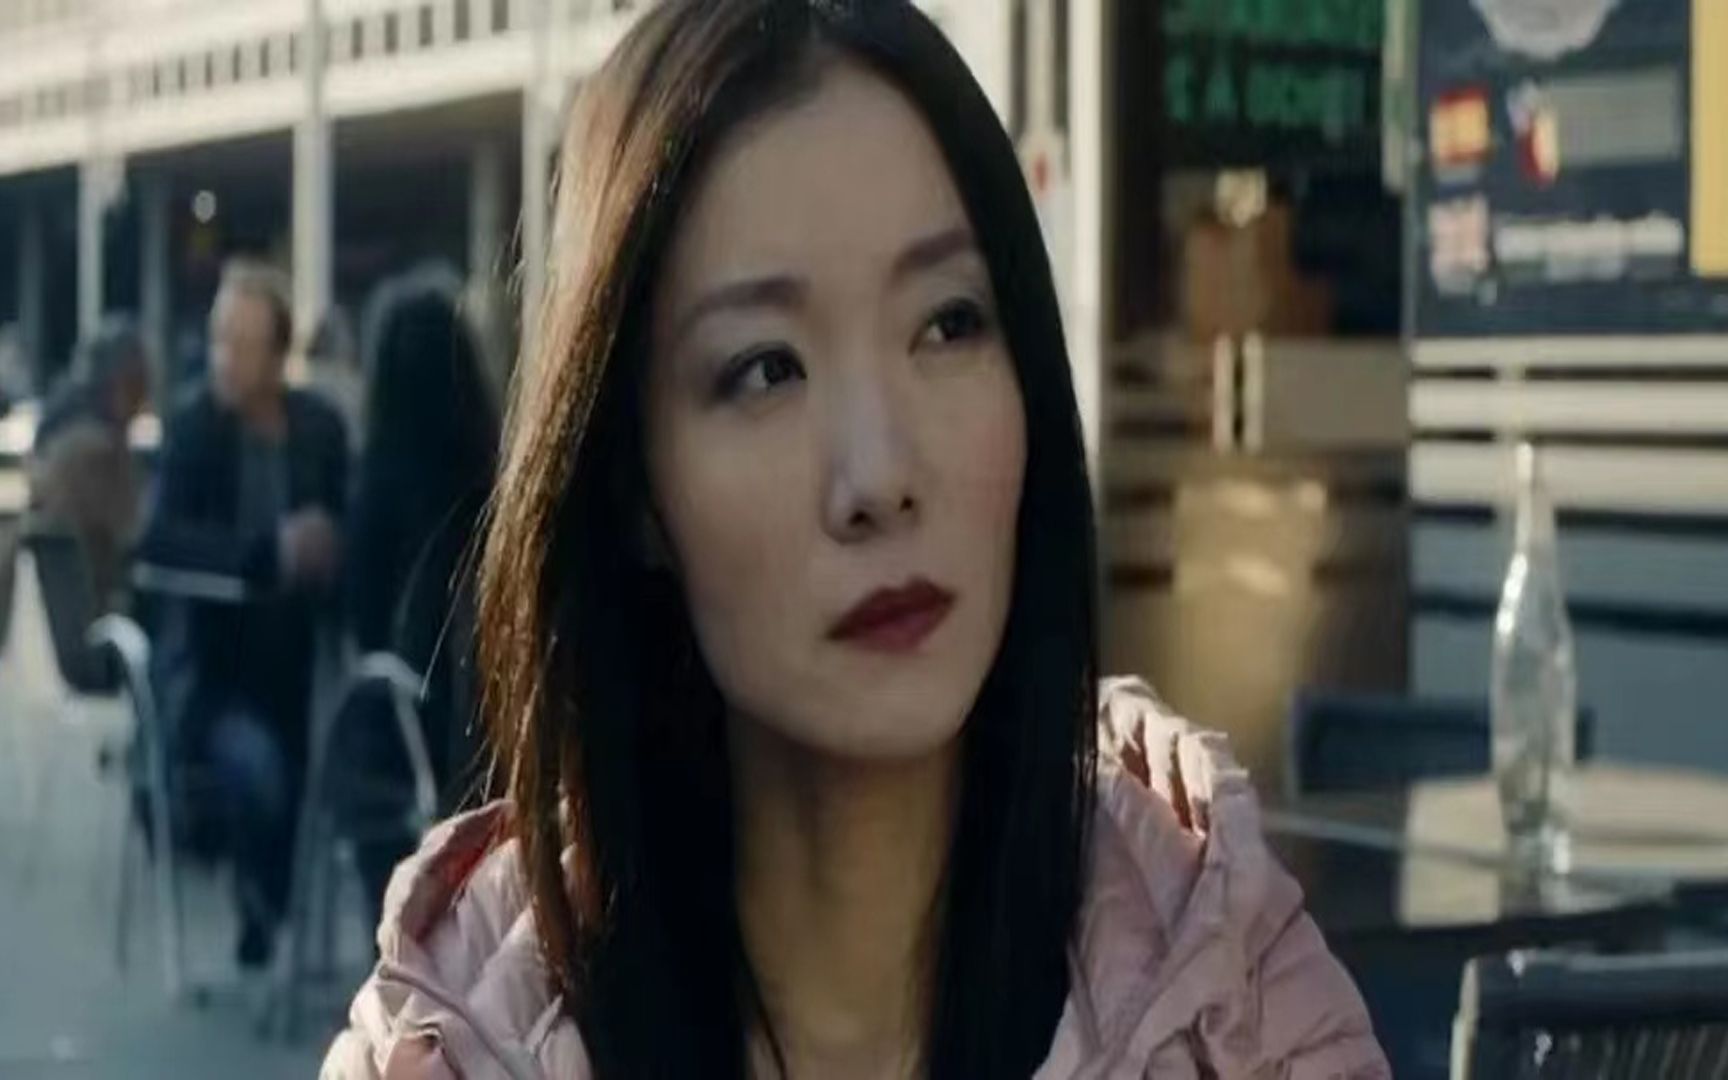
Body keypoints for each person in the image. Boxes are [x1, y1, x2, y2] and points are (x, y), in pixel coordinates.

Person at [325, 2, 1388, 1077]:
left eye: (948, 323)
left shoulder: (1235, 1008)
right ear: (634, 482)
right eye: (765, 369)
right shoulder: (452, 1046)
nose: (878, 477)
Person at [140, 258, 349, 969]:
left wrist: (327, 543)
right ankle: (263, 906)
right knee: (259, 774)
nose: (223, 357)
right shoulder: (194, 428)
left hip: (304, 663)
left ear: (277, 355)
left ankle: (278, 915)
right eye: (218, 338)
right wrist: (267, 551)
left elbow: (351, 521)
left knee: (320, 767)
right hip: (218, 672)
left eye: (241, 343)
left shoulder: (318, 429)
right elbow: (161, 538)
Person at [342, 270, 499, 921]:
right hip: (483, 741)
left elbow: (360, 618)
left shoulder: (376, 489)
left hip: (400, 732)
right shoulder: (495, 485)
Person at [26, 317, 151, 611]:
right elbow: (133, 537)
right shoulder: (101, 453)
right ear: (124, 384)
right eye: (140, 384)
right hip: (91, 606)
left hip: (47, 606)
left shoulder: (57, 436)